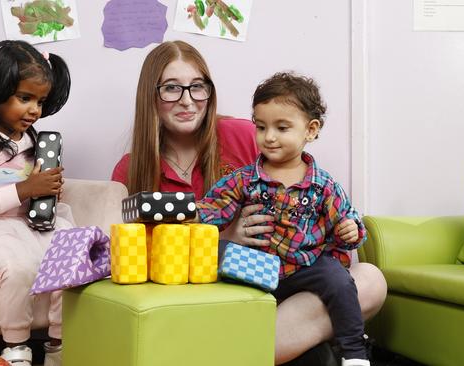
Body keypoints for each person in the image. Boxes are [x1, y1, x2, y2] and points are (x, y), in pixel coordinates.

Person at [111, 40, 386, 365]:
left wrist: (342, 230)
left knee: (369, 279)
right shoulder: (131, 168)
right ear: (151, 96)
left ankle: (243, 352)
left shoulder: (245, 135)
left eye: (197, 87)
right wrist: (224, 239)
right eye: (171, 88)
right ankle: (270, 349)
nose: (187, 100)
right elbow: (132, 255)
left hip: (283, 279)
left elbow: (313, 195)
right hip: (211, 293)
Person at [197, 72, 371, 366]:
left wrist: (350, 231)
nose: (270, 137)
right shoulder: (245, 179)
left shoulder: (324, 185)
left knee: (340, 280)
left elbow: (348, 225)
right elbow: (213, 208)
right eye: (261, 127)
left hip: (307, 266)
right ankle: (230, 339)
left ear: (311, 130)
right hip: (257, 267)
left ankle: (354, 352)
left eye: (282, 127)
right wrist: (188, 216)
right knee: (214, 252)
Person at [0, 40, 72, 366]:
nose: (35, 110)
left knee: (71, 258)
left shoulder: (34, 139)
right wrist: (25, 188)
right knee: (18, 269)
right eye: (25, 98)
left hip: (32, 224)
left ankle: (59, 342)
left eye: (41, 101)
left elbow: (34, 189)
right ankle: (17, 347)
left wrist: (48, 192)